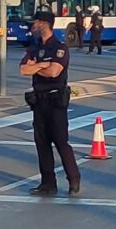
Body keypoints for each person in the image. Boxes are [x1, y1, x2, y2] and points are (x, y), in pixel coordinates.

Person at [19, 10, 80, 196]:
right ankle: (48, 183)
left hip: (55, 101)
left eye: (35, 22)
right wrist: (42, 65)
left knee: (61, 142)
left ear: (44, 24)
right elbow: (23, 69)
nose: (32, 25)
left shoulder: (60, 47)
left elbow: (55, 72)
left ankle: (73, 180)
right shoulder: (33, 47)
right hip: (39, 101)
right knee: (42, 143)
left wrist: (36, 66)